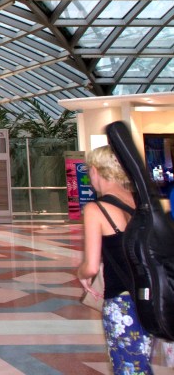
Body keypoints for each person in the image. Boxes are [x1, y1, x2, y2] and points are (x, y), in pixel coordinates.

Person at [77, 145, 154, 375]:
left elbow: (90, 266)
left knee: (129, 366)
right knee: (142, 359)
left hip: (122, 302)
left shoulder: (96, 208)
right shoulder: (141, 201)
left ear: (96, 170)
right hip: (151, 298)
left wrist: (82, 275)